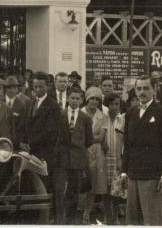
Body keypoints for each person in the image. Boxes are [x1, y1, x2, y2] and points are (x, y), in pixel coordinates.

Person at [120, 75, 162, 225]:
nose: (142, 92)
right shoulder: (131, 112)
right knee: (132, 220)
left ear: (154, 89)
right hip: (133, 174)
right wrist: (124, 172)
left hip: (152, 175)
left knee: (153, 220)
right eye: (139, 89)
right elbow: (127, 144)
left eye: (146, 88)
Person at [25, 71, 69, 225]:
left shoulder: (53, 105)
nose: (38, 89)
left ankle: (50, 218)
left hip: (46, 153)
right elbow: (27, 125)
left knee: (47, 185)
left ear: (47, 86)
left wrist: (31, 143)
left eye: (41, 87)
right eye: (35, 86)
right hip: (31, 152)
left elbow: (51, 131)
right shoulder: (31, 103)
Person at [63, 85, 93, 224]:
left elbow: (89, 140)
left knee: (74, 192)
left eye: (77, 98)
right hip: (62, 160)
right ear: (67, 98)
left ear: (81, 100)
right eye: (72, 98)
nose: (74, 101)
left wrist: (78, 150)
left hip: (78, 160)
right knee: (61, 190)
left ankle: (71, 220)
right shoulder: (61, 115)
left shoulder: (85, 118)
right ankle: (59, 218)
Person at [82, 87, 107, 224]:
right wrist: (92, 137)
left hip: (97, 152)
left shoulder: (102, 116)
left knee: (94, 182)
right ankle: (78, 207)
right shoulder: (80, 113)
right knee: (80, 180)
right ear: (87, 99)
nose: (94, 101)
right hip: (81, 151)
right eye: (92, 98)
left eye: (97, 99)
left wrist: (86, 137)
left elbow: (101, 137)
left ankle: (87, 210)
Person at [102, 92, 125, 224]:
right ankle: (107, 215)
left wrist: (121, 157)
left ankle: (115, 216)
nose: (115, 107)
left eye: (117, 104)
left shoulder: (122, 119)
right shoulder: (103, 118)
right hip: (104, 157)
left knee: (116, 189)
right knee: (105, 188)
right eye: (112, 104)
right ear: (107, 105)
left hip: (117, 157)